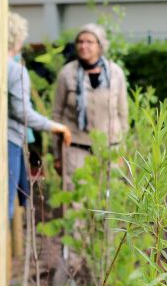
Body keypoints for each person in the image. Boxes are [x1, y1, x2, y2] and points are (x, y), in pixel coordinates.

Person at [7, 13, 71, 222]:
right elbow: (22, 112)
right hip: (9, 142)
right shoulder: (15, 70)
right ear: (17, 38)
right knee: (4, 206)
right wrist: (55, 127)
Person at [51, 24, 130, 190]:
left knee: (110, 199)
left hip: (109, 148)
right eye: (80, 41)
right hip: (75, 148)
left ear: (100, 45)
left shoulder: (115, 73)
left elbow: (122, 114)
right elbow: (56, 116)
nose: (83, 45)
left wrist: (123, 151)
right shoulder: (67, 74)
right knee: (77, 200)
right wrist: (57, 154)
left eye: (89, 41)